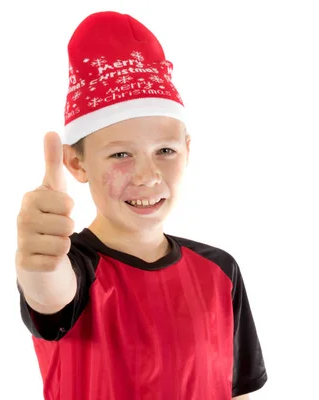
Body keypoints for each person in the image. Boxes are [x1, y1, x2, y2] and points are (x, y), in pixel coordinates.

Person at [15, 10, 267, 400]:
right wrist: (38, 262)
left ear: (187, 150)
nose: (147, 176)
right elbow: (50, 293)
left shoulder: (221, 271)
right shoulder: (74, 267)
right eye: (120, 155)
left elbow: (237, 390)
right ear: (77, 163)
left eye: (164, 150)